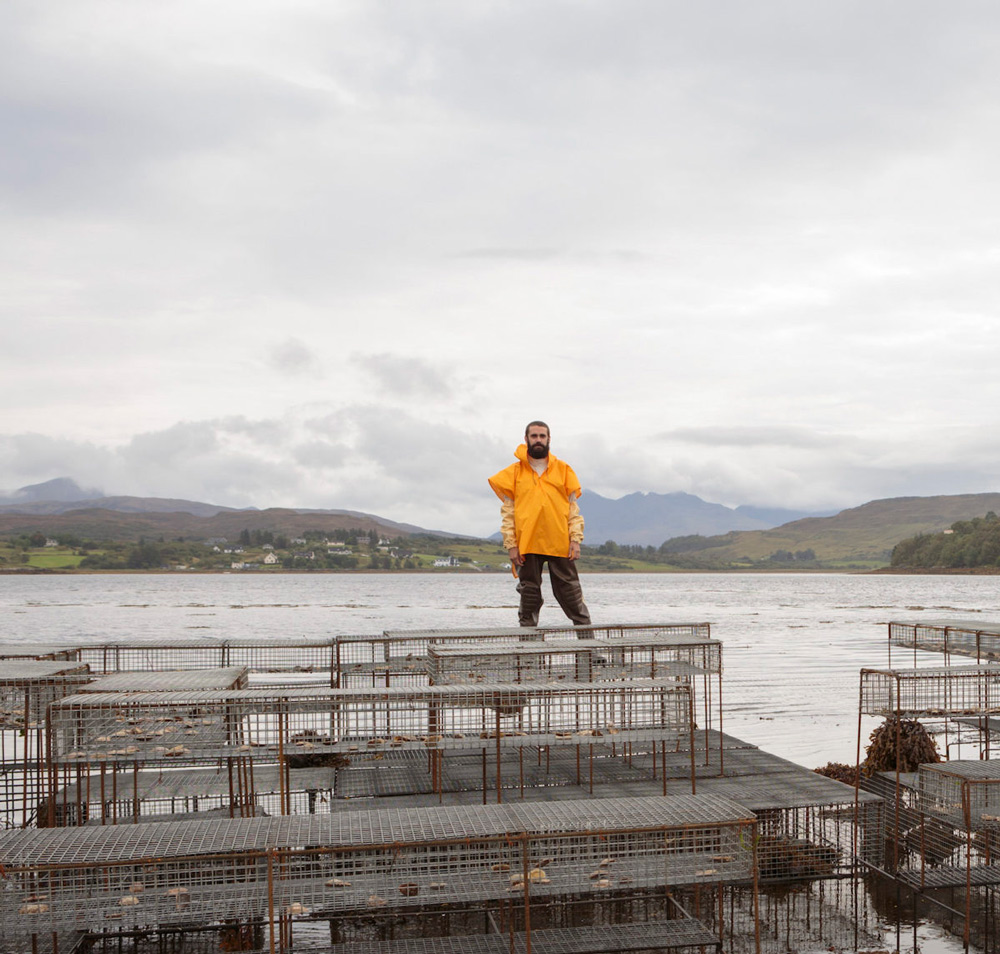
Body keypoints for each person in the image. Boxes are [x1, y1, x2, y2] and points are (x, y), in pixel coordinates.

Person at [488, 421, 591, 627]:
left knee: (572, 596)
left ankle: (589, 651)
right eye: (534, 436)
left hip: (559, 541)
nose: (538, 440)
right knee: (529, 597)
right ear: (526, 439)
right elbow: (508, 513)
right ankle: (529, 653)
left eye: (542, 436)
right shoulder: (514, 473)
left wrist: (575, 539)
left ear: (549, 439)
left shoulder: (563, 470)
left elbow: (573, 510)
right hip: (527, 543)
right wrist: (511, 544)